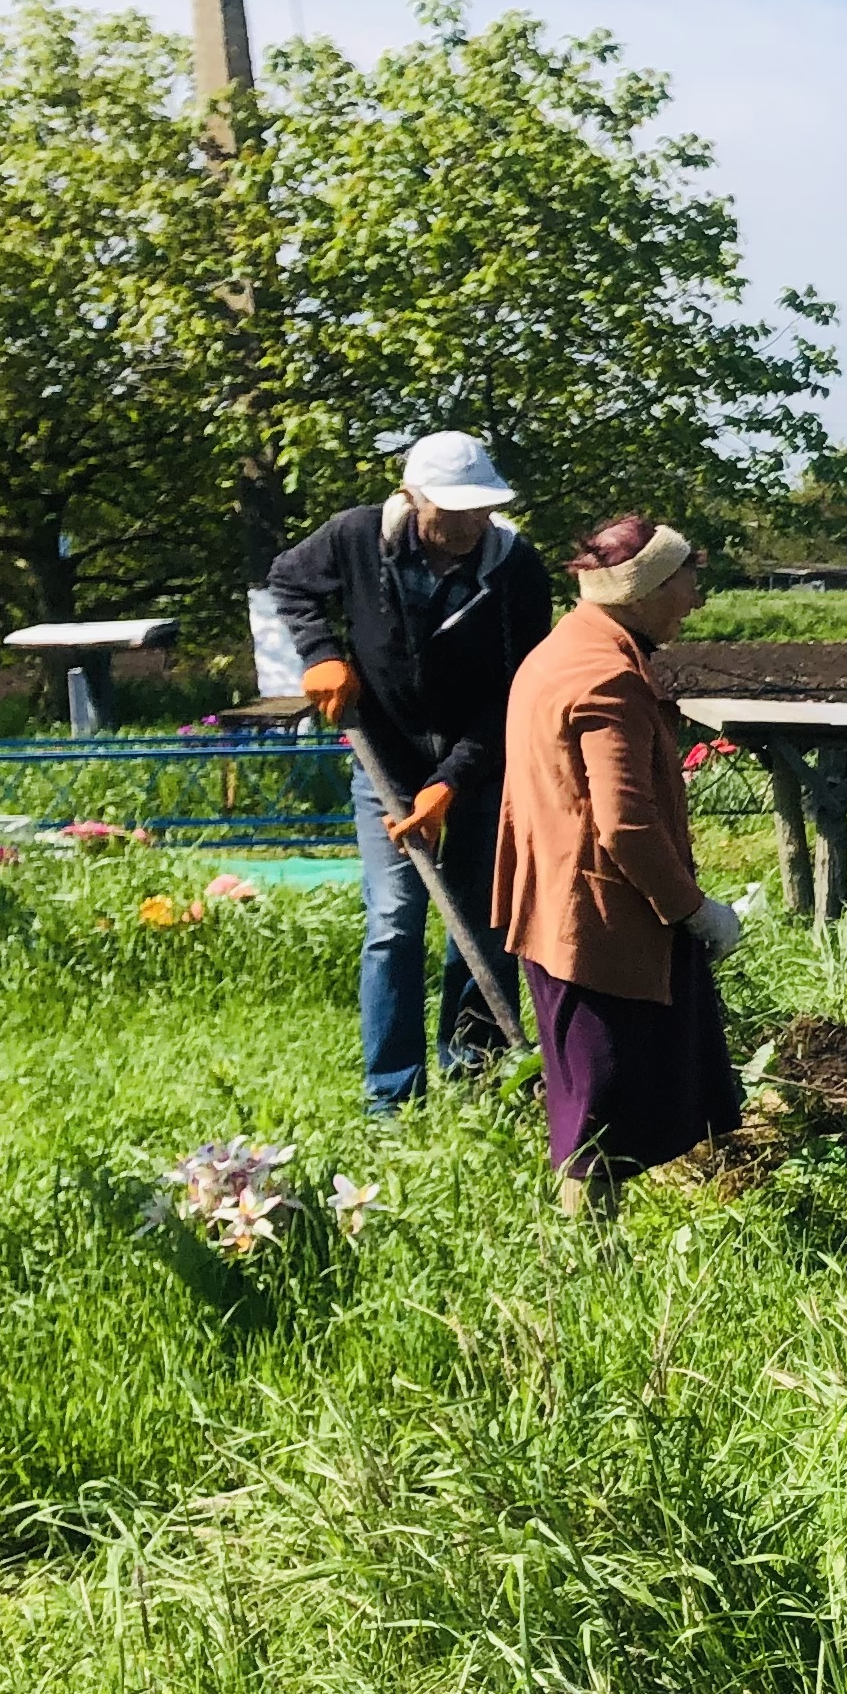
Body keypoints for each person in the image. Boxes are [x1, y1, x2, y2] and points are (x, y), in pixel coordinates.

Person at [266, 432, 552, 1110]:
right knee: (394, 921)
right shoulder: (357, 538)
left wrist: (452, 780)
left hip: (481, 768)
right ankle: (391, 1098)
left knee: (480, 923)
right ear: (410, 498)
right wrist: (320, 654)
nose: (467, 525)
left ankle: (479, 1077)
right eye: (450, 511)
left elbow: (517, 691)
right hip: (385, 761)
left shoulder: (516, 569)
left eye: (479, 510)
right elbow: (290, 579)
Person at [493, 518, 746, 1207]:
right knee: (601, 1113)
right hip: (600, 927)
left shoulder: (560, 651)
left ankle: (591, 1255)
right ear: (643, 590)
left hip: (553, 909)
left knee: (588, 1093)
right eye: (685, 582)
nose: (694, 600)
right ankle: (587, 1266)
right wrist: (697, 912)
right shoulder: (609, 677)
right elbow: (627, 826)